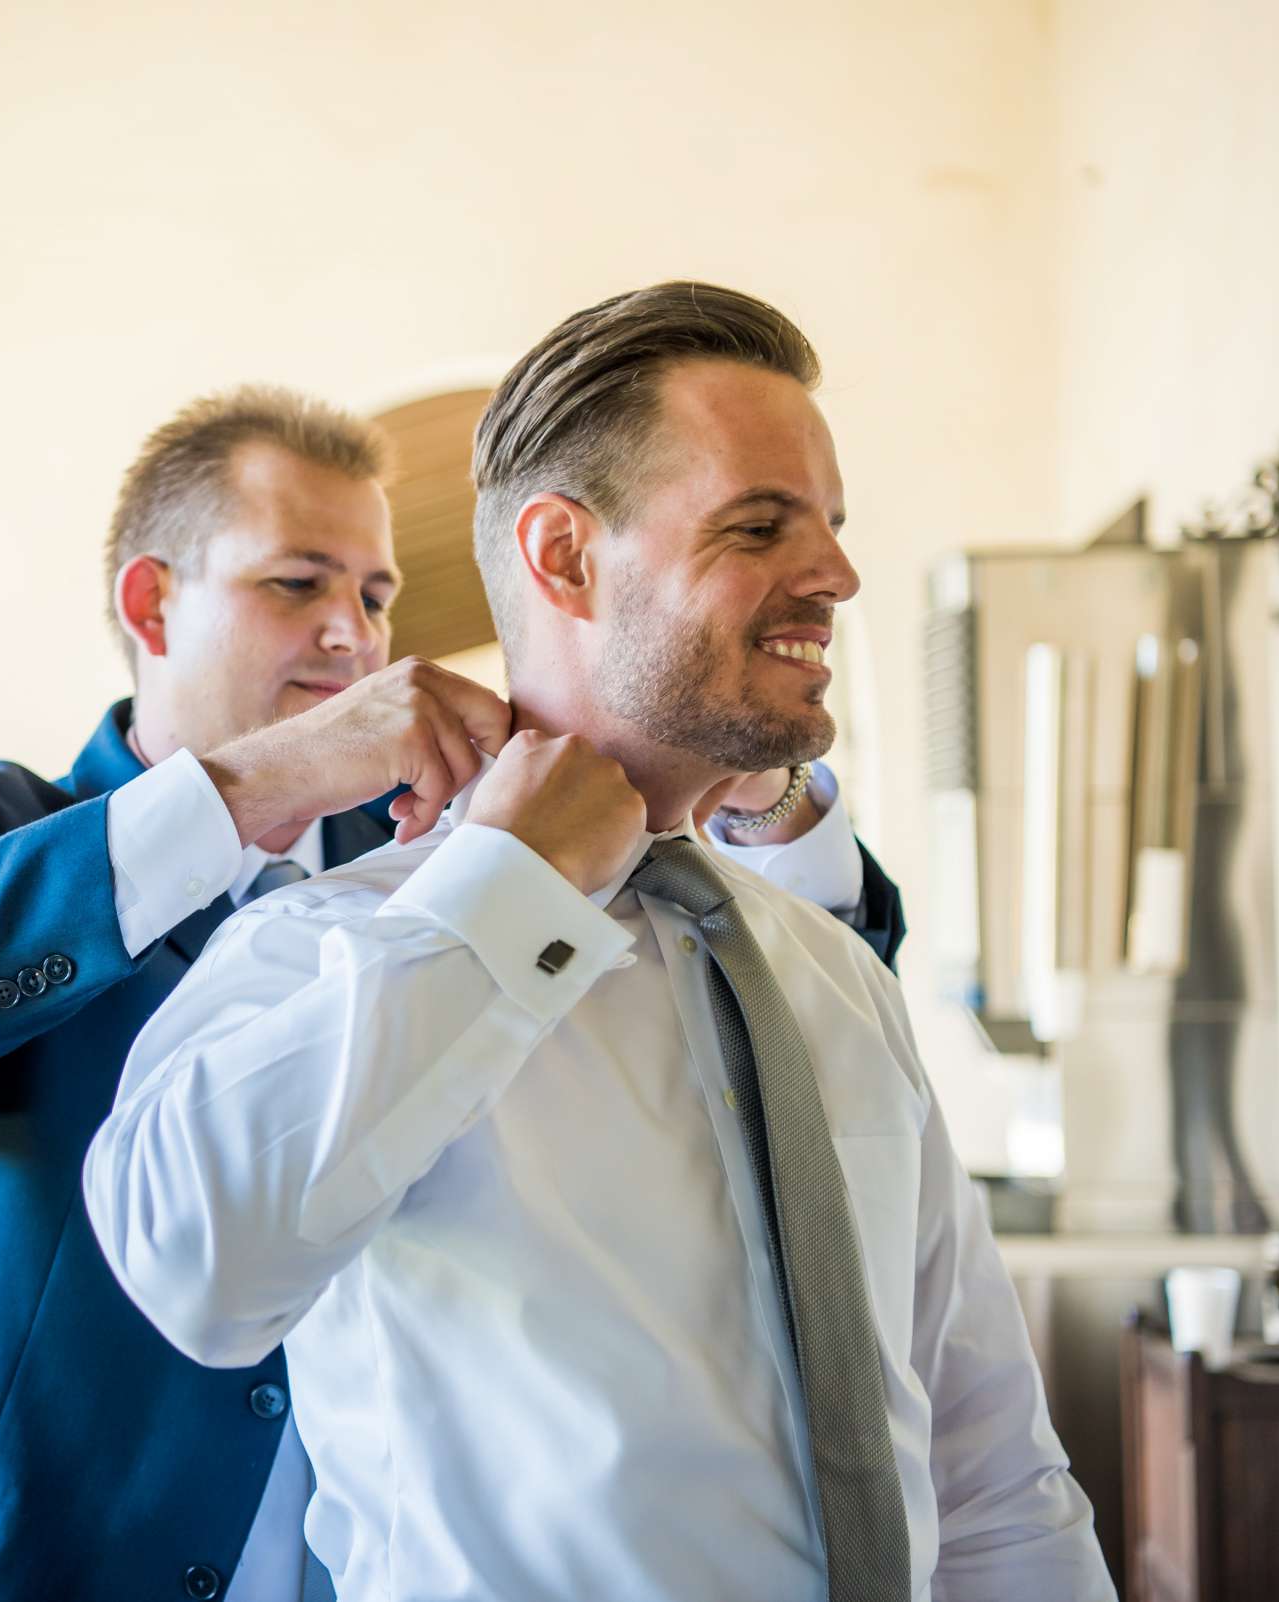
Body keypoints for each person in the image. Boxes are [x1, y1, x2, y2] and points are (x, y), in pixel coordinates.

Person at [0, 382, 912, 1601]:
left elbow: (799, 1002)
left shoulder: (441, 853)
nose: (352, 635)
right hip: (19, 1562)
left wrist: (753, 781)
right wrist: (261, 781)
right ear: (152, 603)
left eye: (374, 595)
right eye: (295, 584)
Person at [85, 286, 1112, 1602]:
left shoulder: (837, 979)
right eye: (759, 525)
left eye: (834, 528)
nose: (840, 576)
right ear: (564, 556)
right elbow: (193, 1265)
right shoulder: (327, 940)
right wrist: (506, 894)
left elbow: (988, 1465)